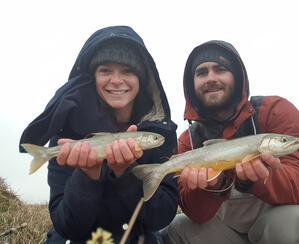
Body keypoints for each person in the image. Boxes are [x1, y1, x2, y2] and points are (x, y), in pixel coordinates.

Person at [19, 26, 179, 243]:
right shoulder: (65, 130)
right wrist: (87, 175)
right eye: (105, 70)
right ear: (92, 76)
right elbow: (67, 226)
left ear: (141, 78)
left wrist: (126, 175)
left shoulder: (162, 133)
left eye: (127, 71)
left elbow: (161, 217)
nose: (116, 80)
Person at [163, 40, 299, 244]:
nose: (210, 78)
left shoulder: (275, 110)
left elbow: (297, 188)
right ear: (191, 84)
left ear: (237, 77)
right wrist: (213, 185)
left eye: (220, 69)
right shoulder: (189, 141)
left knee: (292, 224)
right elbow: (197, 215)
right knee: (178, 229)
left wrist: (258, 178)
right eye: (201, 73)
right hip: (228, 229)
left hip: (281, 219)